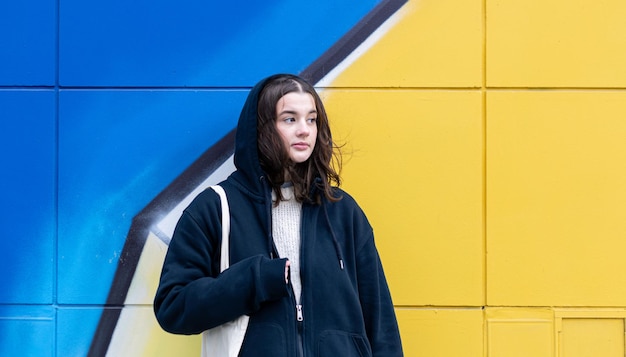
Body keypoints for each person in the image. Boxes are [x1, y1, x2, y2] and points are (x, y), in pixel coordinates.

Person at [154, 74, 403, 356]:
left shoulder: (342, 211)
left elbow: (381, 324)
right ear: (262, 129)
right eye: (289, 119)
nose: (304, 130)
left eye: (311, 119)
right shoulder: (216, 207)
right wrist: (253, 279)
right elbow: (172, 306)